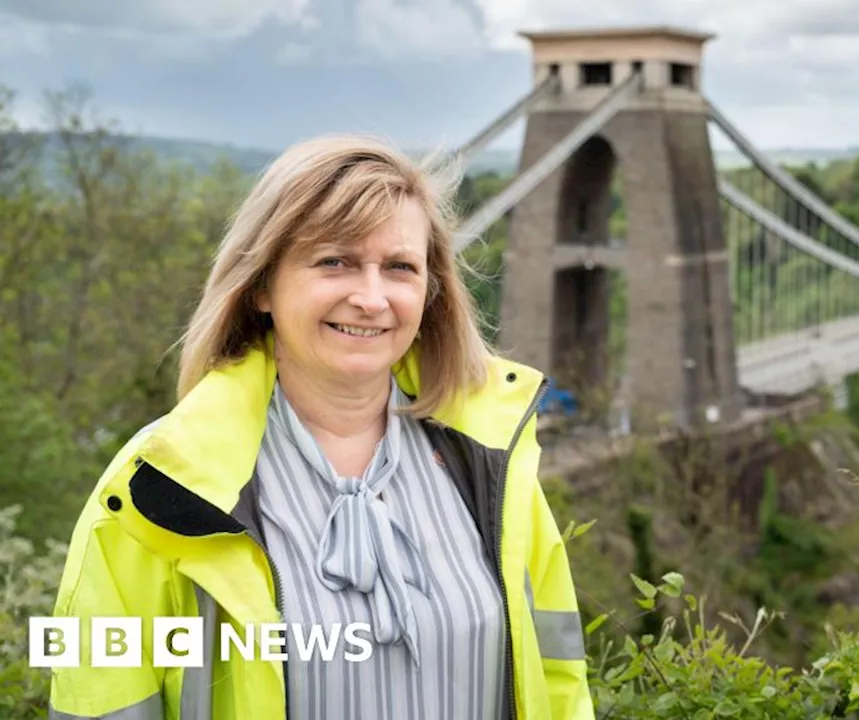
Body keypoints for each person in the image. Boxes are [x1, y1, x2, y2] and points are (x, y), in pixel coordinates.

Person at [47, 134, 593, 720]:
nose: (372, 297)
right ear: (261, 285)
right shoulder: (154, 493)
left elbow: (557, 678)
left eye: (400, 268)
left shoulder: (491, 466)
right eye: (336, 261)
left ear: (430, 294)